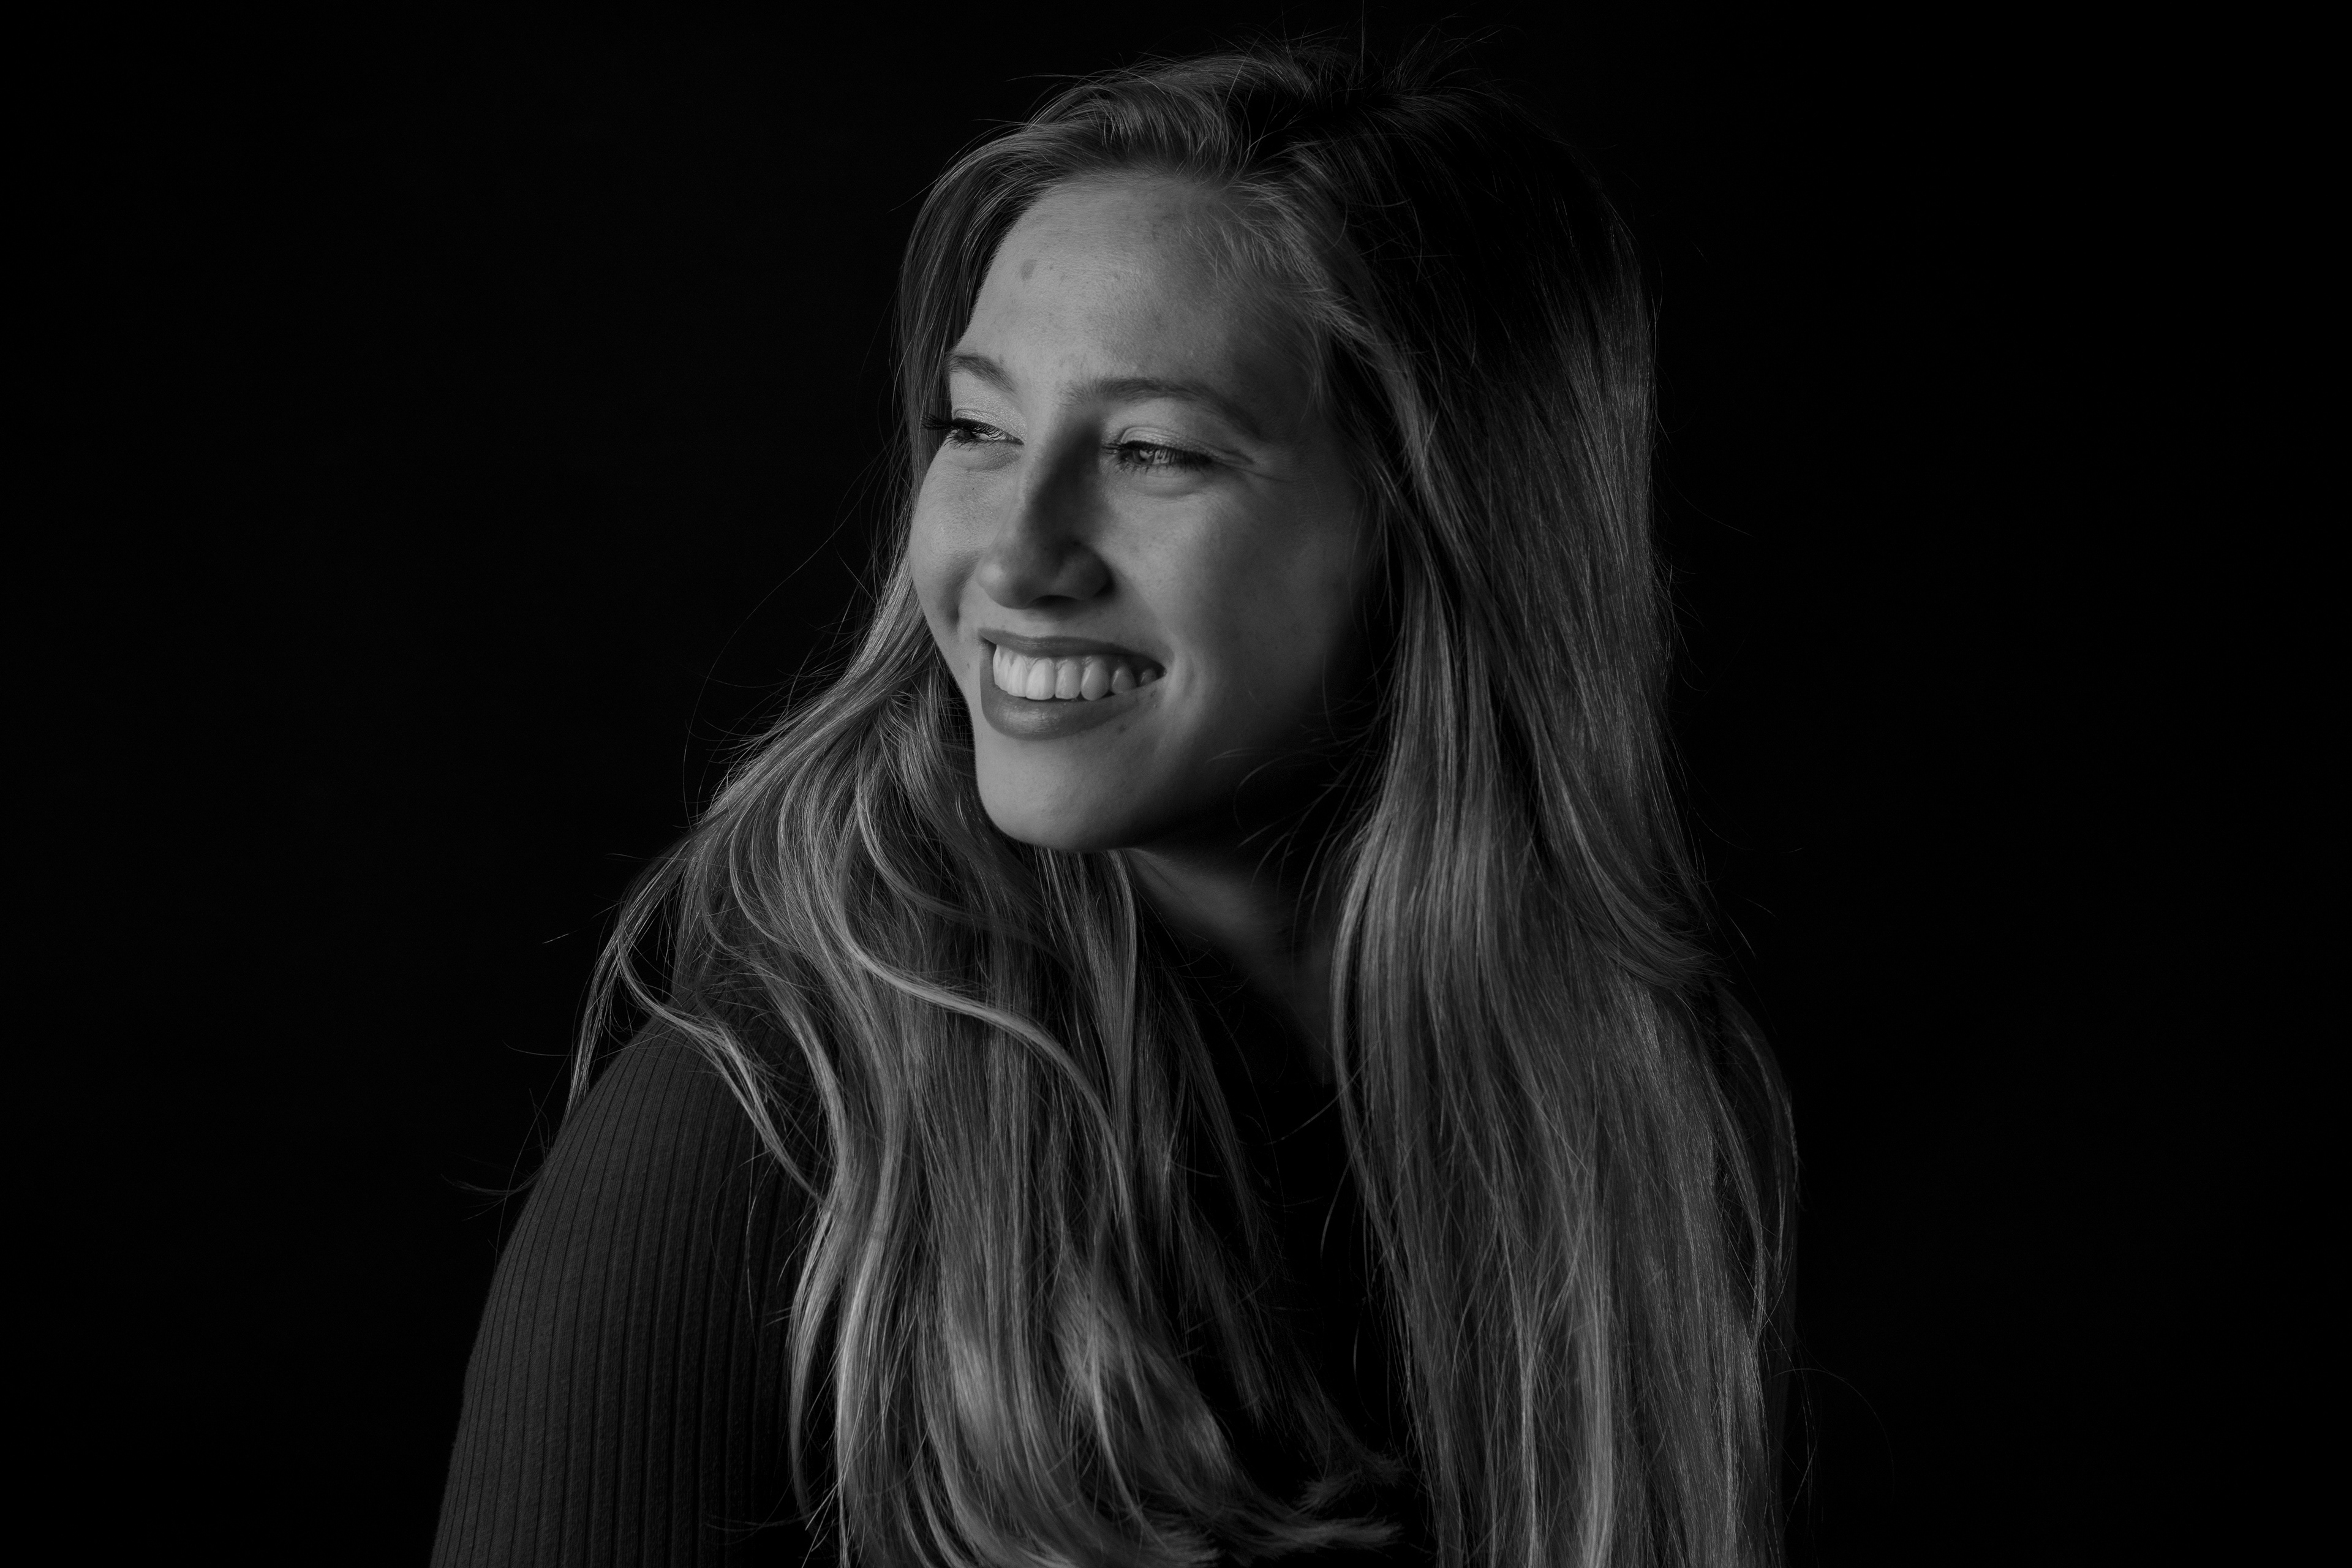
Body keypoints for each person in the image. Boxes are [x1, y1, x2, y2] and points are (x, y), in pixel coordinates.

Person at [433, 38, 1795, 1568]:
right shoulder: (749, 1143)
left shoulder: (1628, 1122)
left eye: (1153, 450)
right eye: (979, 428)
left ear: (1446, 522)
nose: (1018, 557)